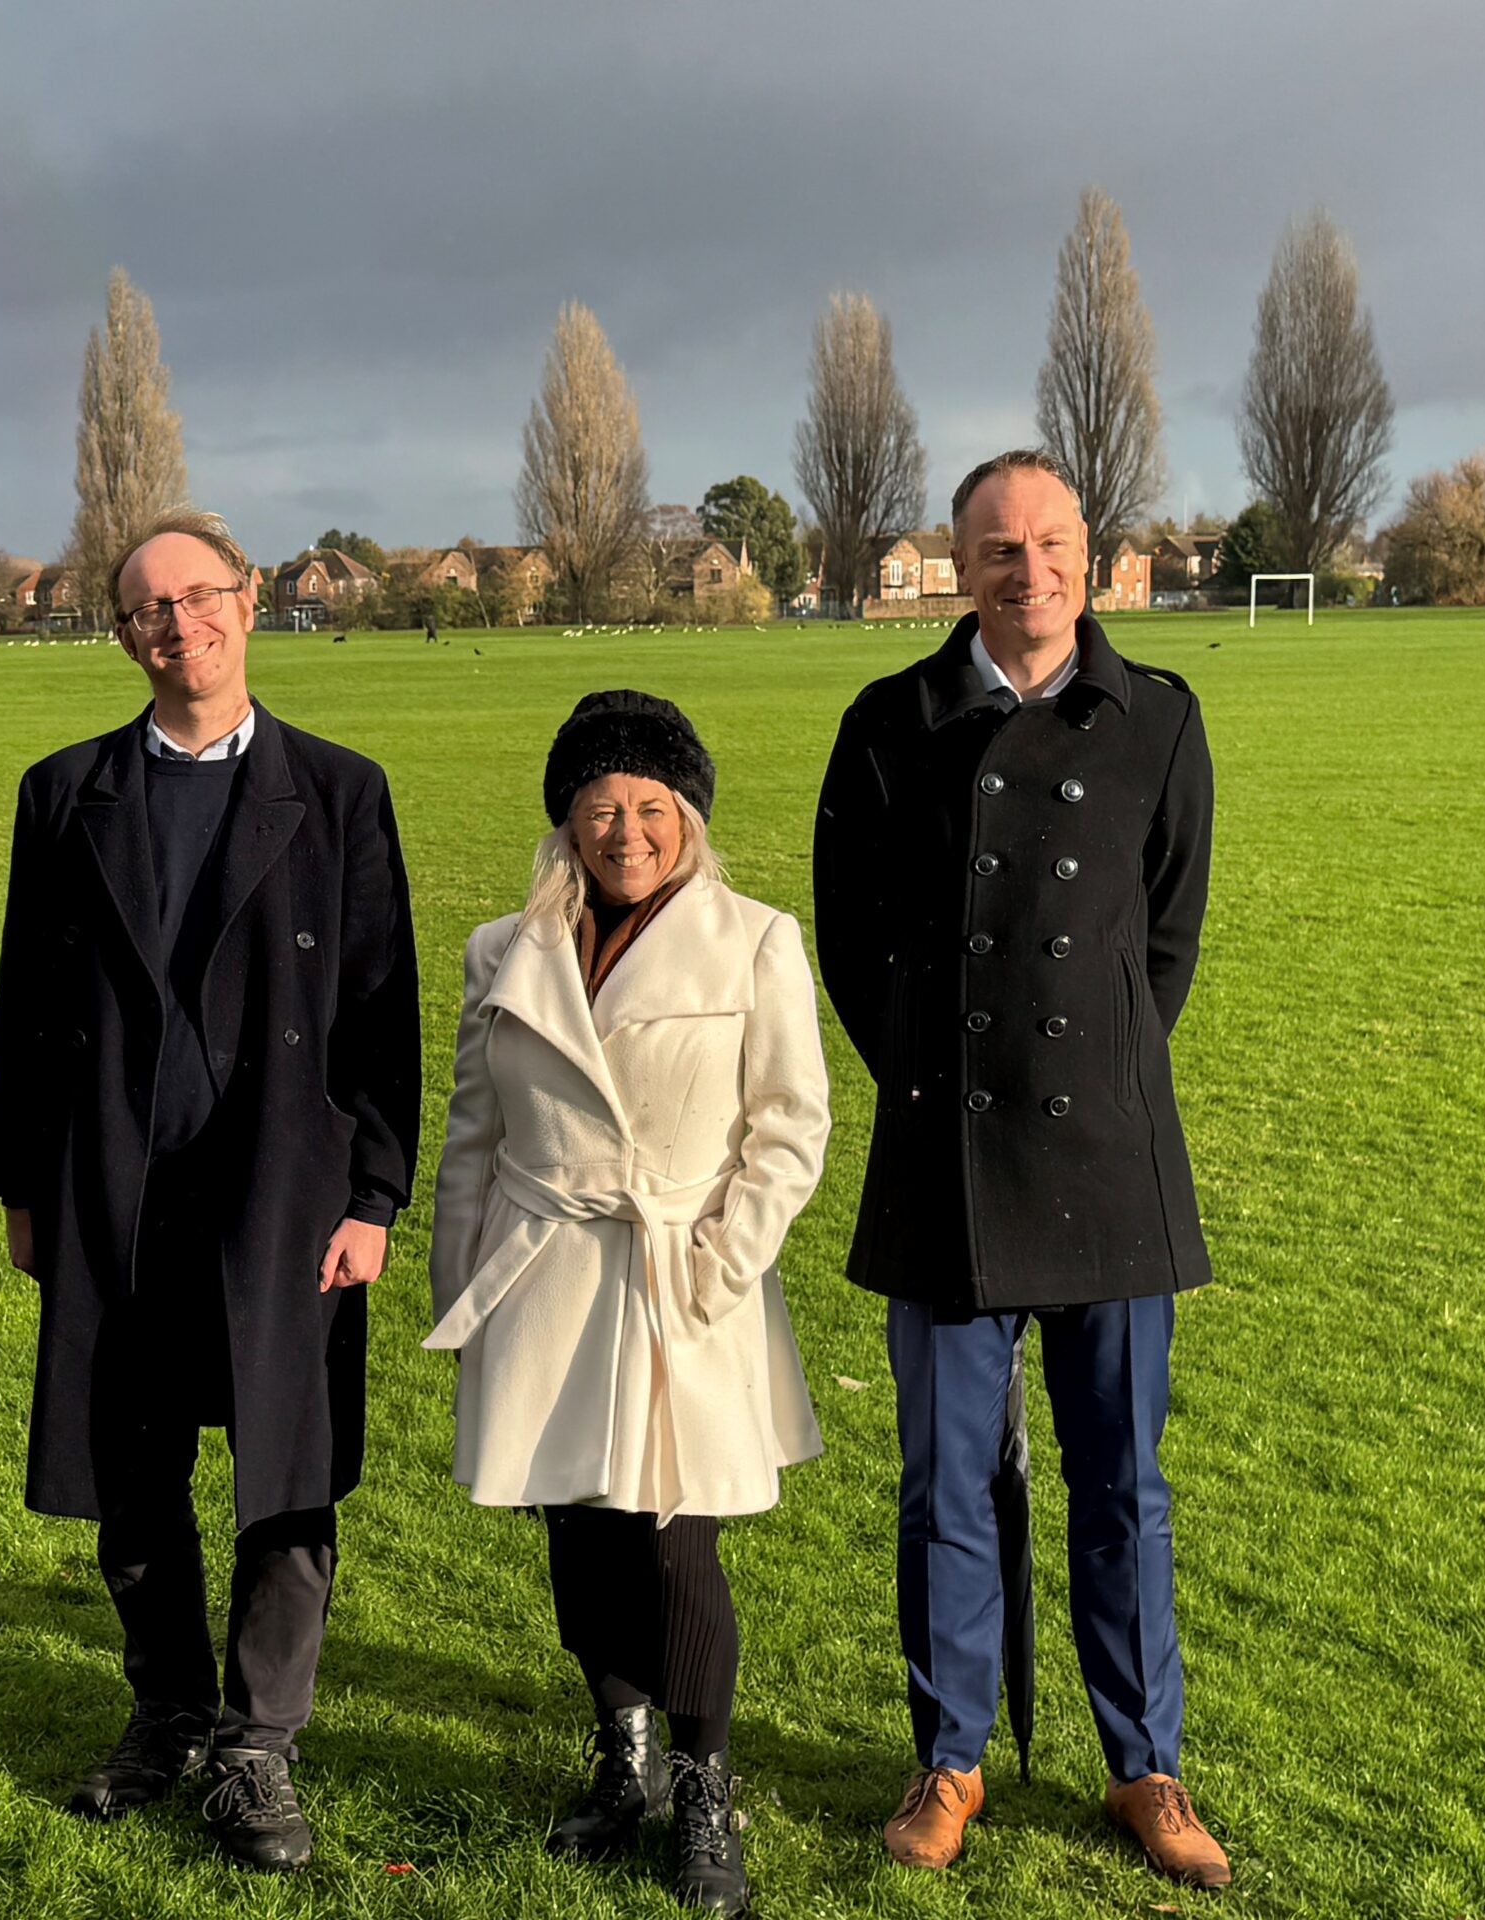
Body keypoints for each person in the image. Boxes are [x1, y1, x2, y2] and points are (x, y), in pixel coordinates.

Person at [811, 449, 1229, 1888]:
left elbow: (1161, 943)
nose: (1028, 569)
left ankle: (1146, 1767)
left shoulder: (1160, 723)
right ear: (959, 561)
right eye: (999, 548)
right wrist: (941, 1085)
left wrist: (1096, 1072)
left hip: (1114, 1164)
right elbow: (852, 944)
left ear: (1091, 555)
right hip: (949, 1158)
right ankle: (950, 1760)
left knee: (1124, 1486)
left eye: (1052, 544)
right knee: (946, 1487)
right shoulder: (887, 723)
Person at [0, 509, 420, 1873]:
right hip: (113, 1184)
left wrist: (373, 1194)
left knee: (284, 1476)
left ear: (248, 602)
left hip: (282, 1191)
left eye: (201, 596)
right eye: (148, 609)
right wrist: (22, 1184)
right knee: (134, 1468)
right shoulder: (64, 794)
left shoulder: (340, 791)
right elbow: (30, 1004)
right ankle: (168, 1711)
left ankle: (259, 1747)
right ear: (124, 637)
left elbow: (379, 1007)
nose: (180, 625)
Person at [426, 691, 831, 1917]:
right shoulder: (503, 951)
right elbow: (471, 1133)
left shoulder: (755, 940)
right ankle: (626, 1761)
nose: (626, 829)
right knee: (582, 1537)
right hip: (542, 1274)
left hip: (679, 1280)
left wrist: (719, 1265)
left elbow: (789, 1129)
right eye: (601, 805)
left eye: (652, 806)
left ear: (688, 818)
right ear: (566, 819)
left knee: (675, 1541)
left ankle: (707, 1789)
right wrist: (465, 1286)